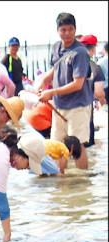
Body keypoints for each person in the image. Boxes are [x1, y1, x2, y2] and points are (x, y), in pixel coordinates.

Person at [36, 12, 92, 169]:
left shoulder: (80, 52)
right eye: (63, 29)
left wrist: (51, 92)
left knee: (77, 145)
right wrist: (44, 80)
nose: (67, 33)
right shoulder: (56, 47)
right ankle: (58, 181)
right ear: (57, 30)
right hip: (59, 105)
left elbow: (78, 84)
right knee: (57, 145)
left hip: (78, 106)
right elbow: (56, 67)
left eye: (70, 29)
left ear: (75, 29)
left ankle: (83, 181)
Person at [79, 34, 106, 148]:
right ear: (94, 48)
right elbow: (98, 92)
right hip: (86, 108)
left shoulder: (71, 63)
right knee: (87, 147)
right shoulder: (95, 67)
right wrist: (102, 100)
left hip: (67, 107)